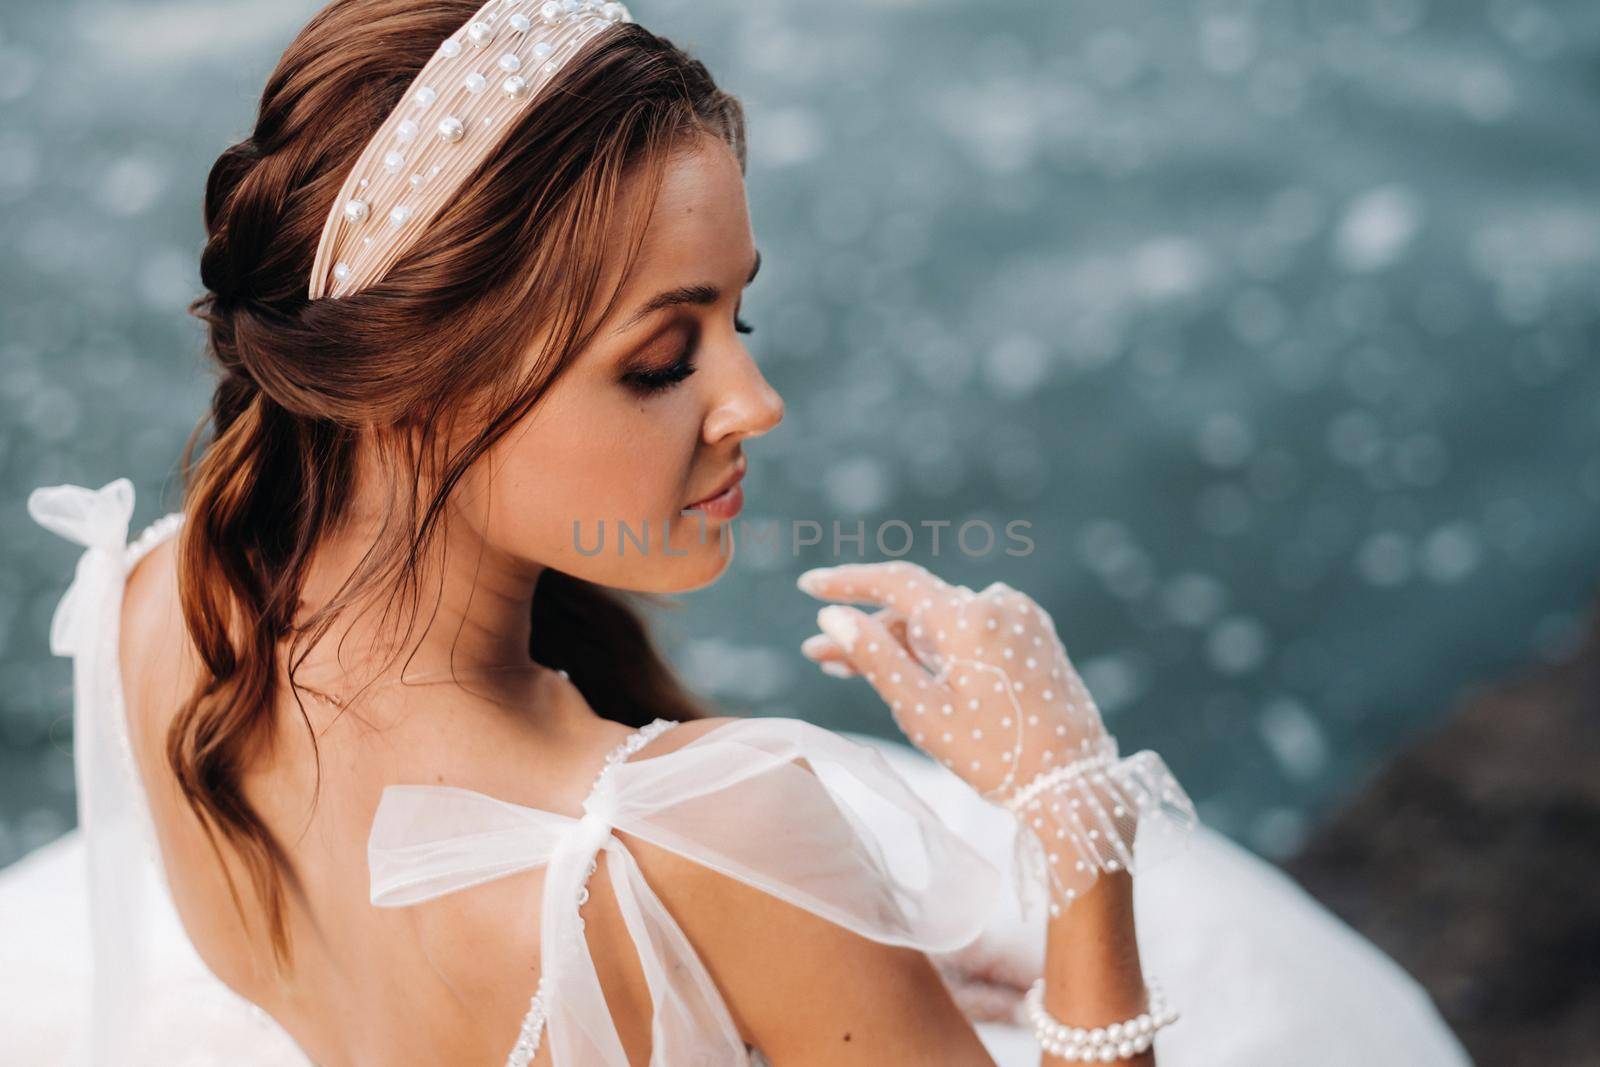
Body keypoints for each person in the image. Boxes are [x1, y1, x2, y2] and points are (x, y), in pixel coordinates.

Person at [5, 1, 1473, 1065]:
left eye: (738, 315)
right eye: (662, 356)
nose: (754, 402)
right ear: (411, 390)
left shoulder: (157, 600)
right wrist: (1074, 822)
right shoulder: (695, 831)